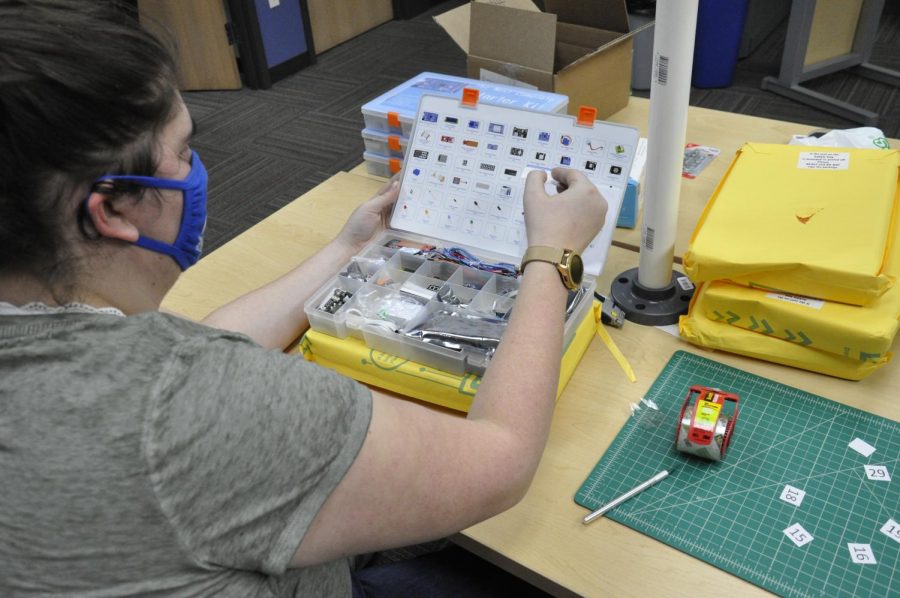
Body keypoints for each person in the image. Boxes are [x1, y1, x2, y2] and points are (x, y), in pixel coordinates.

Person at [0, 1, 608, 595]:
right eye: (183, 152)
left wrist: (351, 245)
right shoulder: (191, 410)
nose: (196, 168)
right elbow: (497, 464)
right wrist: (554, 254)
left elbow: (201, 348)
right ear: (109, 211)